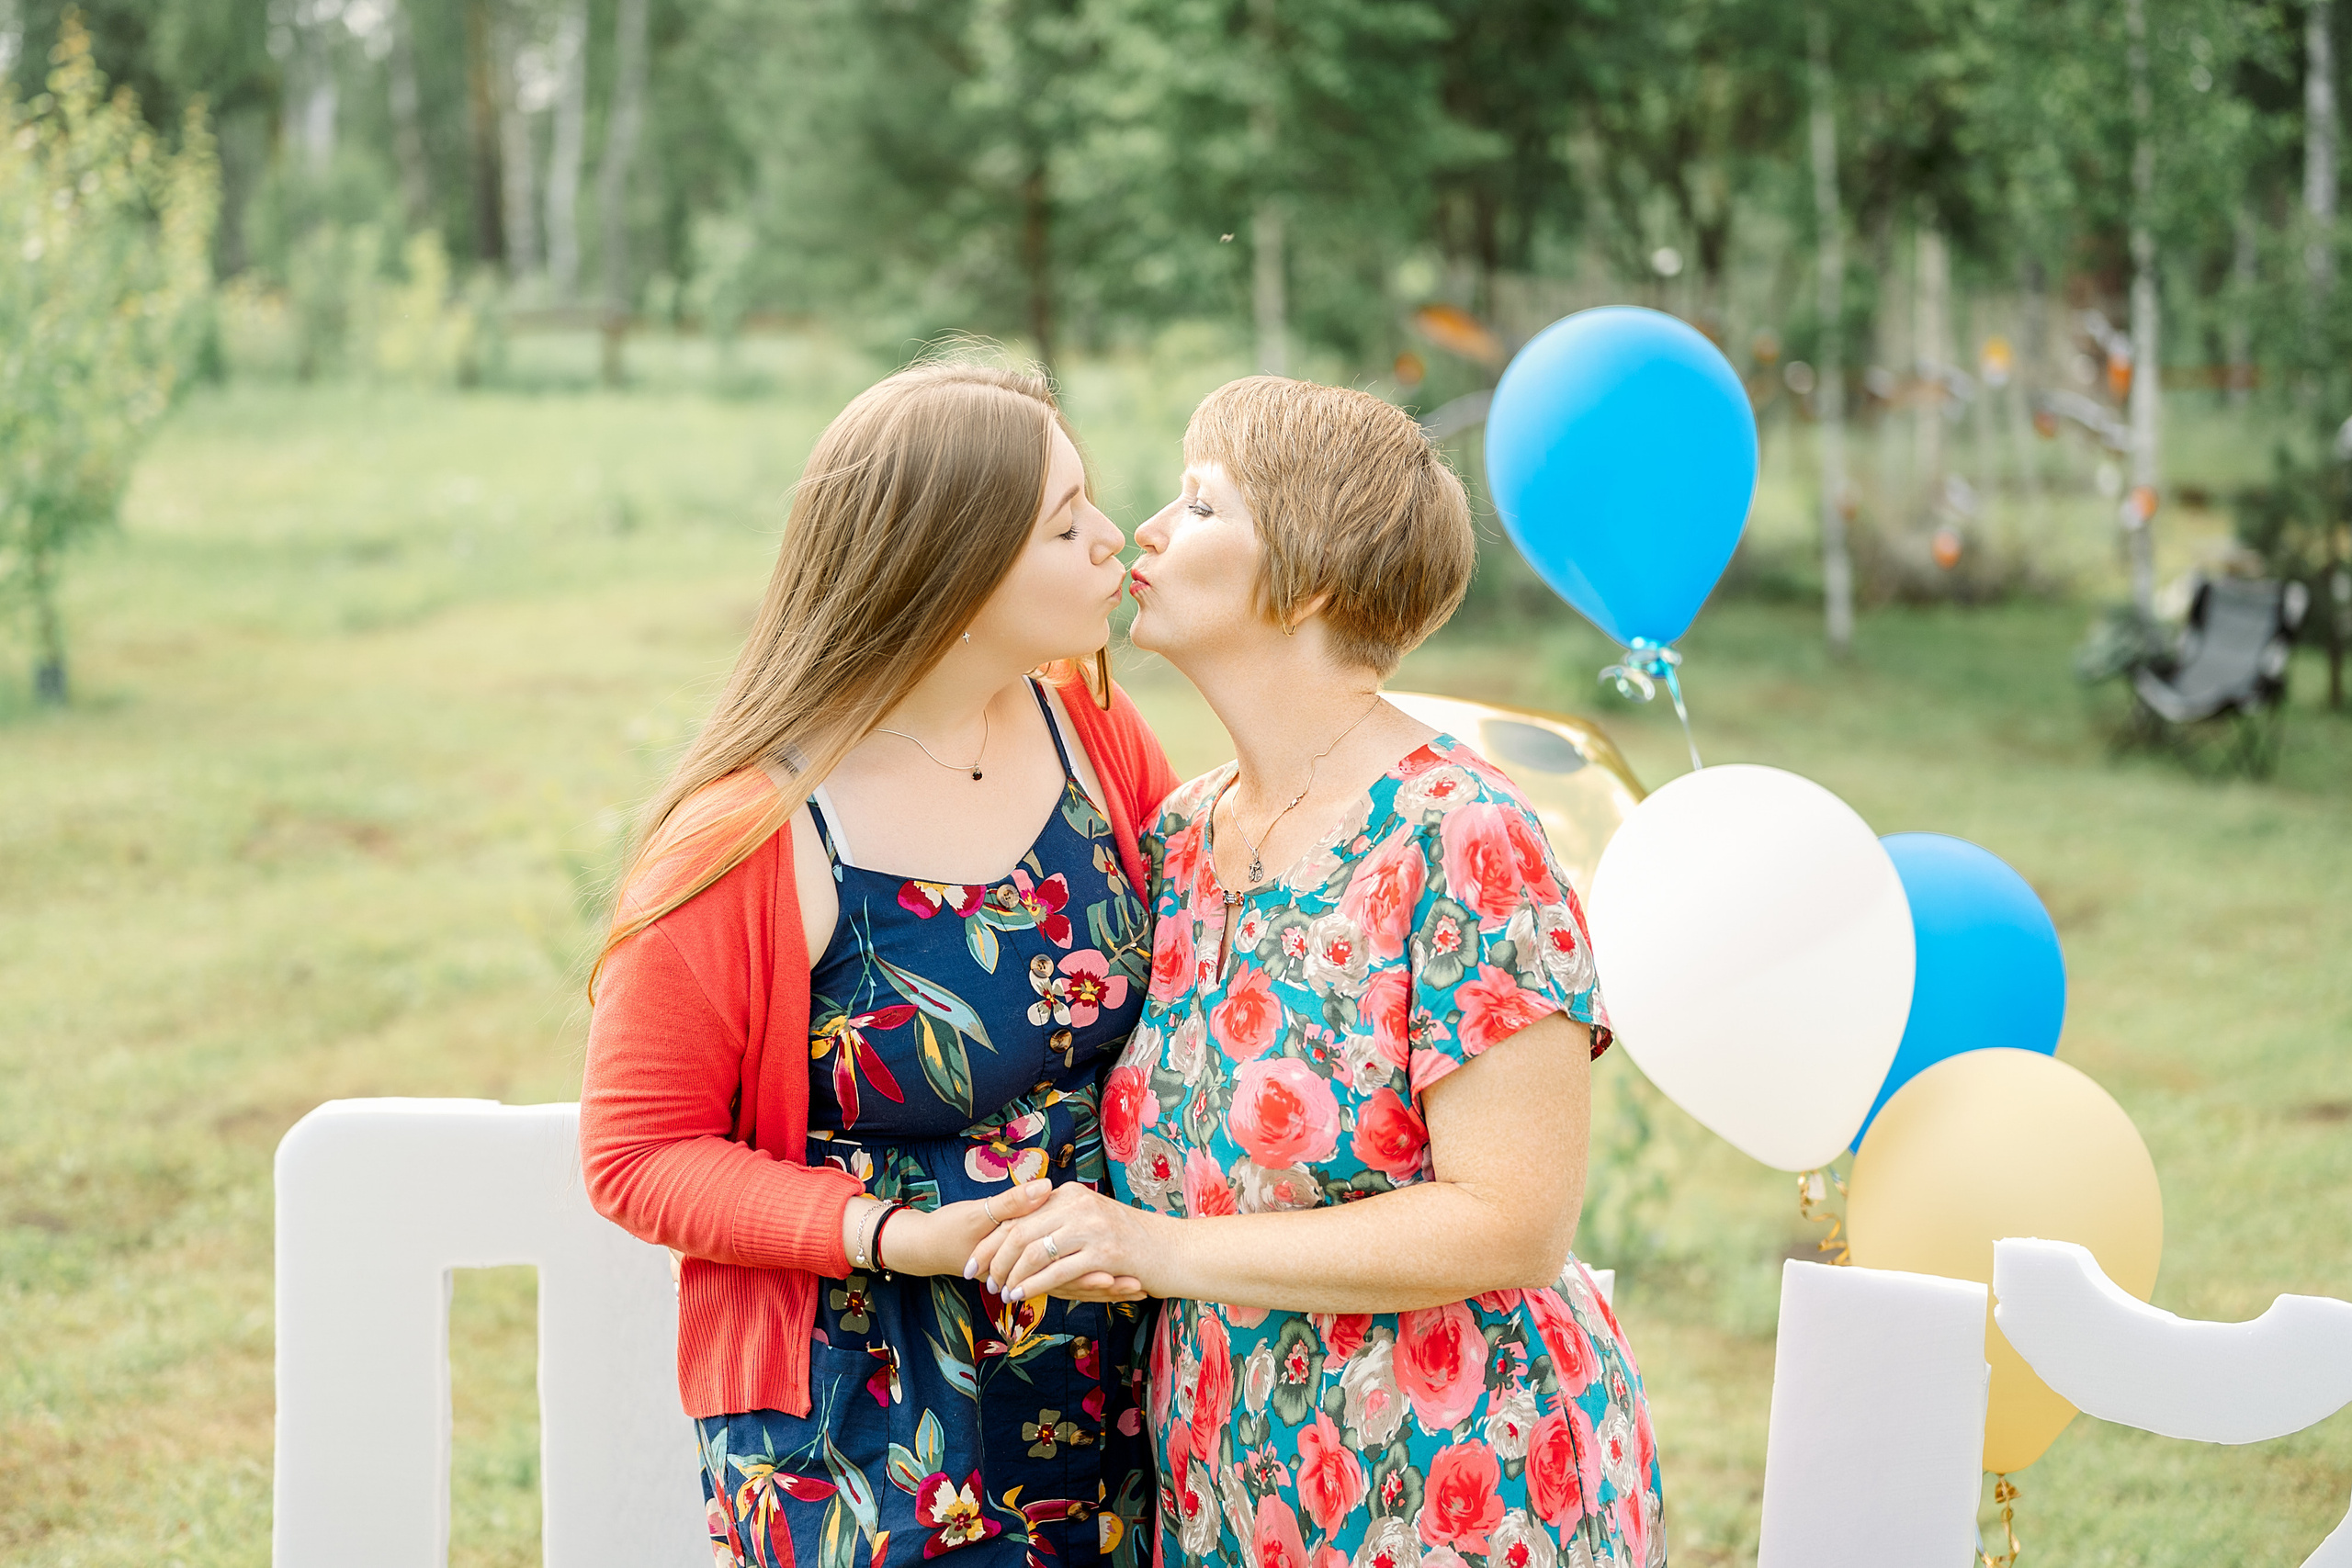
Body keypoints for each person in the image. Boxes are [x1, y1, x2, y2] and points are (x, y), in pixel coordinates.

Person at [965, 377, 1666, 1568]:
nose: (1144, 533)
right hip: (1235, 1481)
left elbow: (1514, 1223)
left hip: (1457, 1478)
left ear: (1312, 582)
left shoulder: (1461, 833)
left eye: (1200, 505)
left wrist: (1160, 1250)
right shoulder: (1180, 838)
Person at [579, 358, 1180, 1568]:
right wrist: (904, 1234)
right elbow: (637, 1156)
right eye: (1065, 523)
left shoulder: (1091, 729)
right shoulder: (752, 835)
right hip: (868, 1414)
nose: (1113, 538)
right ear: (953, 577)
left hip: (1120, 1377)